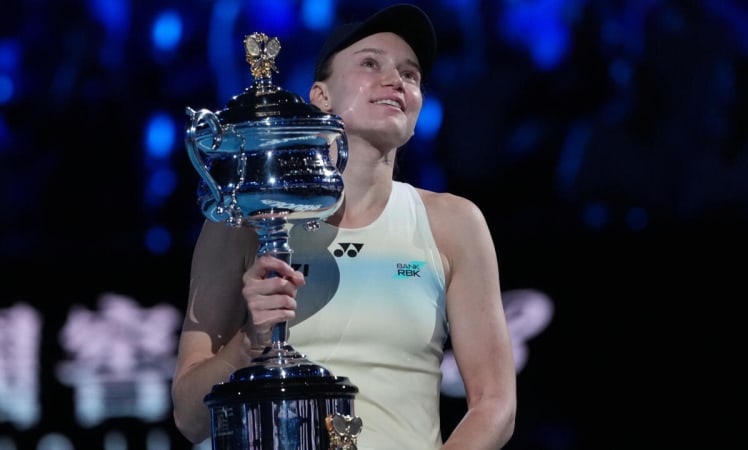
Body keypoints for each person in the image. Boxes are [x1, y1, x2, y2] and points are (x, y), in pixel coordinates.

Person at [171, 3, 517, 449]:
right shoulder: (244, 220)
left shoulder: (454, 224)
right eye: (371, 63)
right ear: (321, 96)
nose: (397, 80)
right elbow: (188, 416)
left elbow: (494, 404)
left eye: (410, 75)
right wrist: (251, 341)